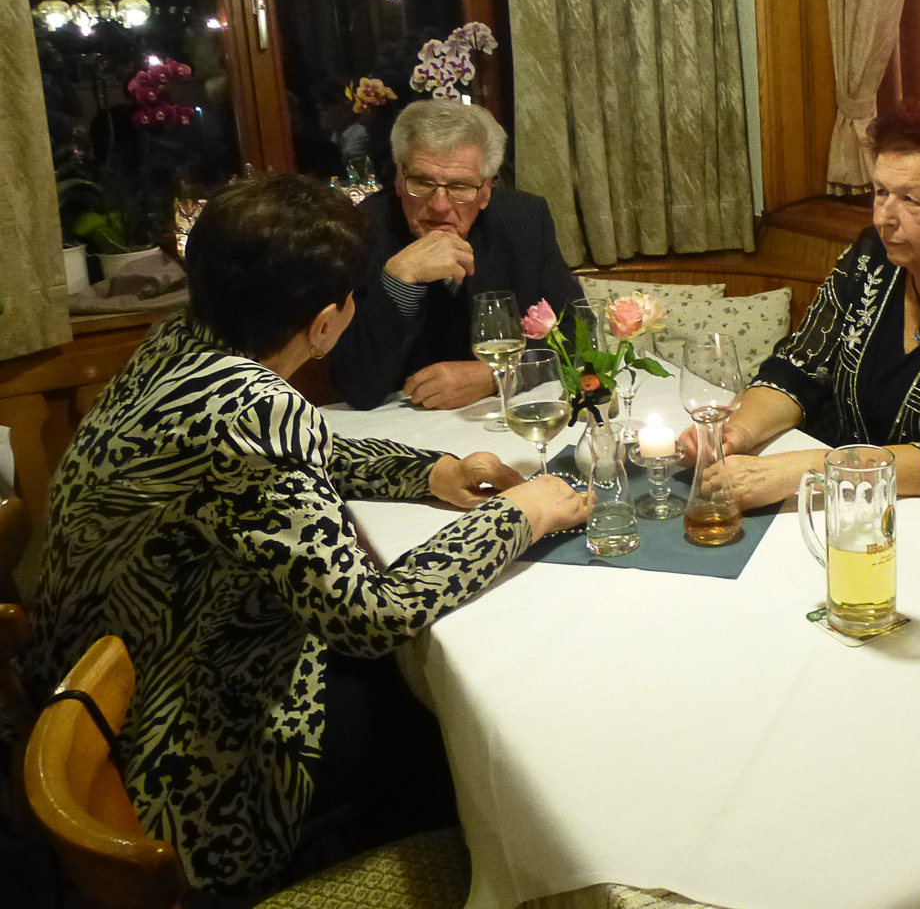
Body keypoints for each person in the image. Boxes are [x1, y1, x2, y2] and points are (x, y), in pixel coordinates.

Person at [18, 173, 589, 896]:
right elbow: (370, 616)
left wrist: (431, 471)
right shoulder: (248, 408)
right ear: (323, 324)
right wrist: (523, 514)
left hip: (118, 676)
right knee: (477, 720)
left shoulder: (182, 343)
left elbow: (301, 448)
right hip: (183, 744)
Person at [682, 94, 920, 509]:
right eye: (880, 192)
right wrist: (739, 432)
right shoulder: (874, 255)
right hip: (844, 502)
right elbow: (798, 368)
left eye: (910, 200)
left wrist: (806, 470)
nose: (882, 218)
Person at [331, 99, 582, 410]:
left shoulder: (524, 219)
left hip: (500, 415)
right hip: (401, 424)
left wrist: (496, 375)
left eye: (461, 186)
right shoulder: (361, 231)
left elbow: (578, 336)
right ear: (398, 180)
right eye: (421, 182)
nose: (439, 205)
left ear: (486, 191)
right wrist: (400, 281)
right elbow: (359, 387)